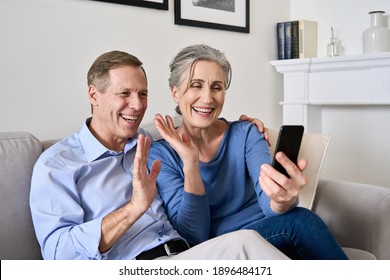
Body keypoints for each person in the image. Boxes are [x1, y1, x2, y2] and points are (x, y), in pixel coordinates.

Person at [29, 50, 289, 260]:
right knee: (244, 244)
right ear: (93, 95)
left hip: (188, 255)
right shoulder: (58, 164)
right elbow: (57, 253)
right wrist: (133, 209)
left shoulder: (153, 144)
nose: (138, 105)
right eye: (125, 94)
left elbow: (198, 120)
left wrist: (245, 126)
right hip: (137, 264)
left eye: (143, 94)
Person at [148, 44, 349, 260]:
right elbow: (194, 235)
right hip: (223, 248)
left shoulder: (246, 133)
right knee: (301, 221)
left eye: (217, 87)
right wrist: (191, 163)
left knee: (299, 218)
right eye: (196, 85)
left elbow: (269, 205)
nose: (207, 98)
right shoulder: (160, 154)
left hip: (271, 234)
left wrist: (282, 200)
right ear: (175, 92)